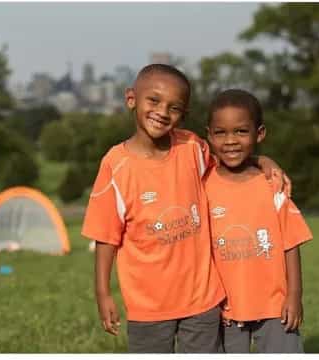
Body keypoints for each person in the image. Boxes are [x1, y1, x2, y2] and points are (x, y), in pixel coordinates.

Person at [81, 64, 287, 353]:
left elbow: (230, 158)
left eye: (174, 107)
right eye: (153, 101)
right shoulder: (115, 165)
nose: (162, 112)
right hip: (148, 306)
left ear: (184, 114)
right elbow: (105, 236)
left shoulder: (192, 147)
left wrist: (262, 161)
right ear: (131, 99)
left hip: (202, 301)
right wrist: (103, 292)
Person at [204, 89, 313, 353]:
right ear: (209, 135)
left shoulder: (272, 185)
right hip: (224, 309)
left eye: (241, 131)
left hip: (275, 307)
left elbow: (291, 243)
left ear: (259, 134)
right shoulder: (202, 185)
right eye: (221, 132)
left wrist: (294, 295)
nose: (230, 141)